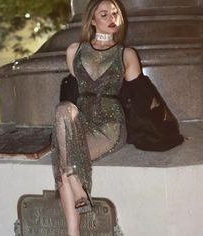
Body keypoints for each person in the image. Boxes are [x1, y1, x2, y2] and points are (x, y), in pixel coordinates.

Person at [51, 0, 184, 235]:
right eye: (105, 14)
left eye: (115, 13)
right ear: (92, 20)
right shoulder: (74, 51)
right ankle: (76, 183)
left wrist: (161, 126)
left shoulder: (126, 54)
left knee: (64, 162)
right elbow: (71, 94)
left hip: (110, 125)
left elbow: (142, 96)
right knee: (63, 108)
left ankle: (73, 229)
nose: (113, 18)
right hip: (80, 121)